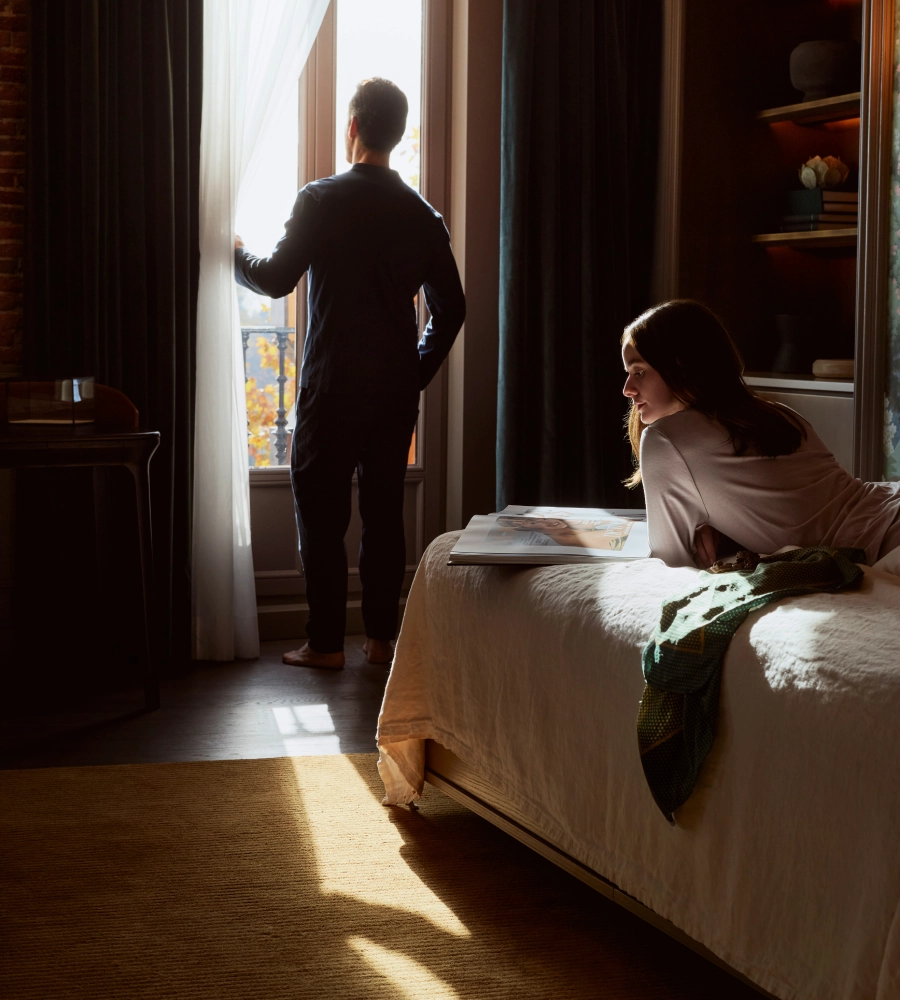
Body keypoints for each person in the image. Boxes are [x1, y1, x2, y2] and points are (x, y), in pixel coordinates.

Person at [235, 78, 465, 669]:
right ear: (398, 132)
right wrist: (415, 371)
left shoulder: (321, 199)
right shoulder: (423, 216)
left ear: (354, 127)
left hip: (333, 385)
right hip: (393, 390)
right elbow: (452, 308)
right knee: (385, 514)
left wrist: (236, 251)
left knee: (321, 513)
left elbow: (275, 277)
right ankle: (382, 640)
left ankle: (326, 643)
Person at [620, 299, 900, 569]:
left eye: (639, 372)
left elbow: (669, 562)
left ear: (680, 364)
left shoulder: (665, 439)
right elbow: (786, 510)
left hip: (886, 542)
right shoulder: (778, 414)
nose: (627, 388)